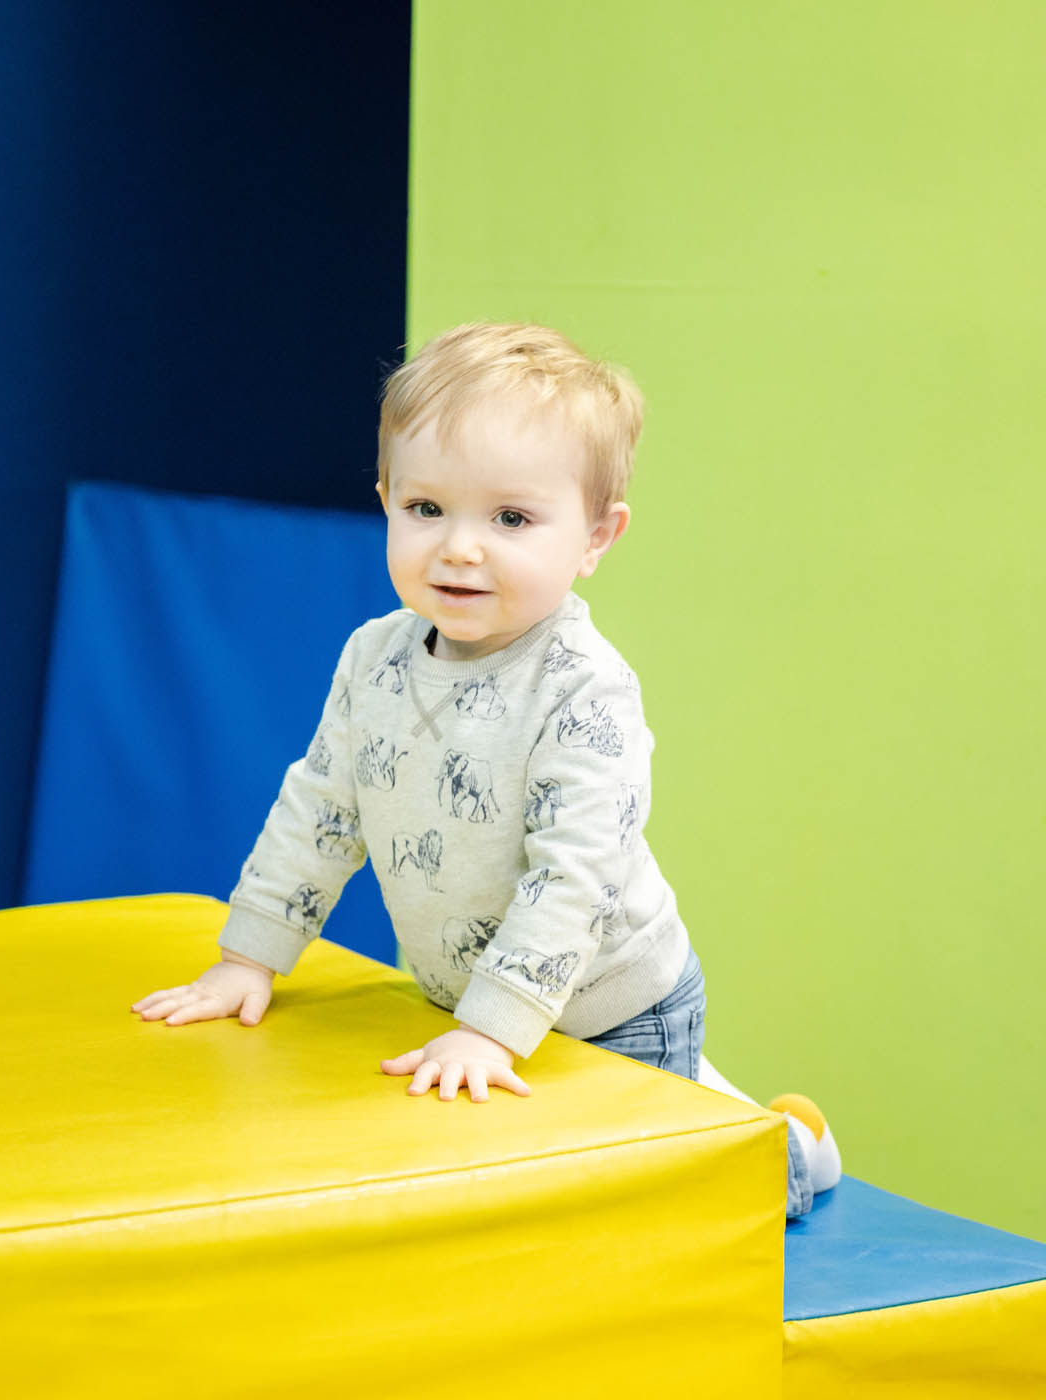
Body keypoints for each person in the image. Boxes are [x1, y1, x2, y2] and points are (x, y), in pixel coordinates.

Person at [131, 322, 840, 1218]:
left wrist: (489, 1029)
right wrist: (250, 958)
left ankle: (795, 1155)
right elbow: (321, 807)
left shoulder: (583, 688)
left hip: (612, 1005)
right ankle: (737, 1108)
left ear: (596, 537)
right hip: (473, 1001)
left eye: (511, 518)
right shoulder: (374, 656)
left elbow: (573, 877)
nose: (459, 548)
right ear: (386, 500)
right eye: (426, 509)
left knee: (678, 1209)